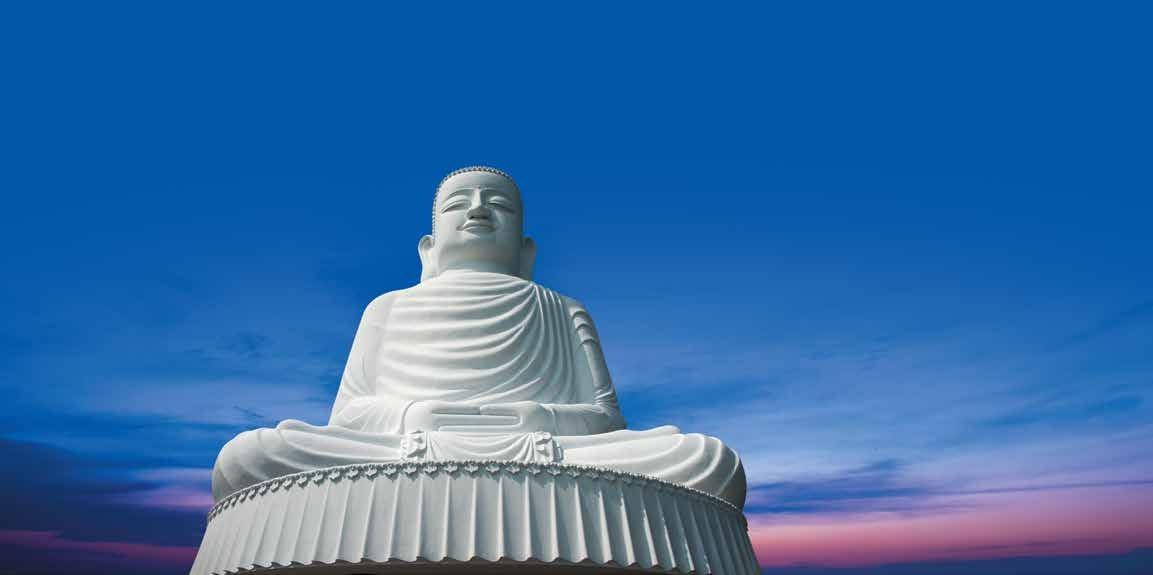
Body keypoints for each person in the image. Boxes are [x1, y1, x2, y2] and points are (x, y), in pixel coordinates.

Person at [211, 166, 747, 508]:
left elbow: (606, 420)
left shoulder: (563, 309)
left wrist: (539, 418)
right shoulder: (388, 307)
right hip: (409, 444)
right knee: (253, 455)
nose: (478, 209)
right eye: (458, 203)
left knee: (704, 459)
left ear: (526, 248)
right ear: (429, 246)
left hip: (546, 448)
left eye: (499, 204)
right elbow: (348, 416)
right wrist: (414, 415)